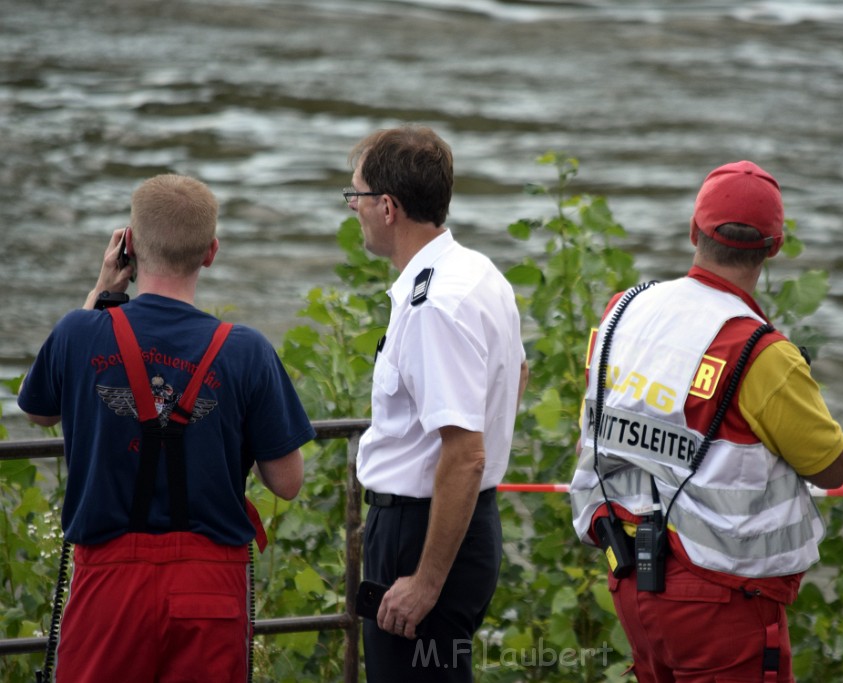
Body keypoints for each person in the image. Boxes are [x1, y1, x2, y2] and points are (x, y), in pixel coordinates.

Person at [17, 174, 314, 682]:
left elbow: (40, 410)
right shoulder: (246, 349)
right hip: (210, 589)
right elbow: (287, 483)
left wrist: (101, 291)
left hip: (107, 588)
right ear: (211, 252)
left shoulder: (78, 331)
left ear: (127, 244)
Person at [569, 160, 843, 682]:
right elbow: (832, 469)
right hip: (722, 602)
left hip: (630, 577)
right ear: (774, 246)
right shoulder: (762, 354)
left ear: (693, 231)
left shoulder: (623, 311)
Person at [346, 125, 528, 681]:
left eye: (355, 195)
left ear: (387, 207)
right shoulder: (477, 272)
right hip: (461, 521)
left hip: (423, 534)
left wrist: (425, 581)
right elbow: (516, 375)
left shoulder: (433, 305)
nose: (352, 208)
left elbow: (465, 452)